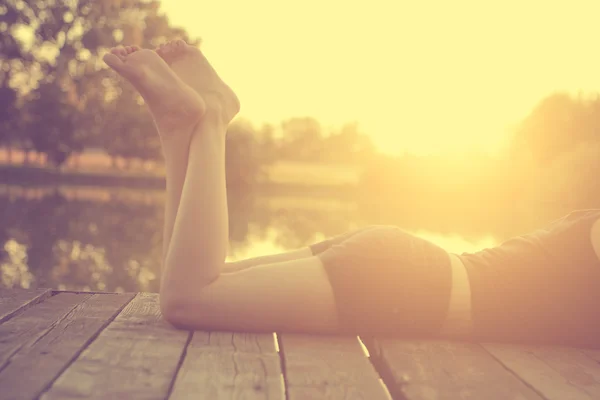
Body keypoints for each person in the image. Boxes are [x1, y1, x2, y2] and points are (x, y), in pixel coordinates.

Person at [103, 40, 600, 347]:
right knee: (189, 299)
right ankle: (210, 119)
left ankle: (176, 130)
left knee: (199, 277)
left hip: (405, 271)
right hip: (405, 285)